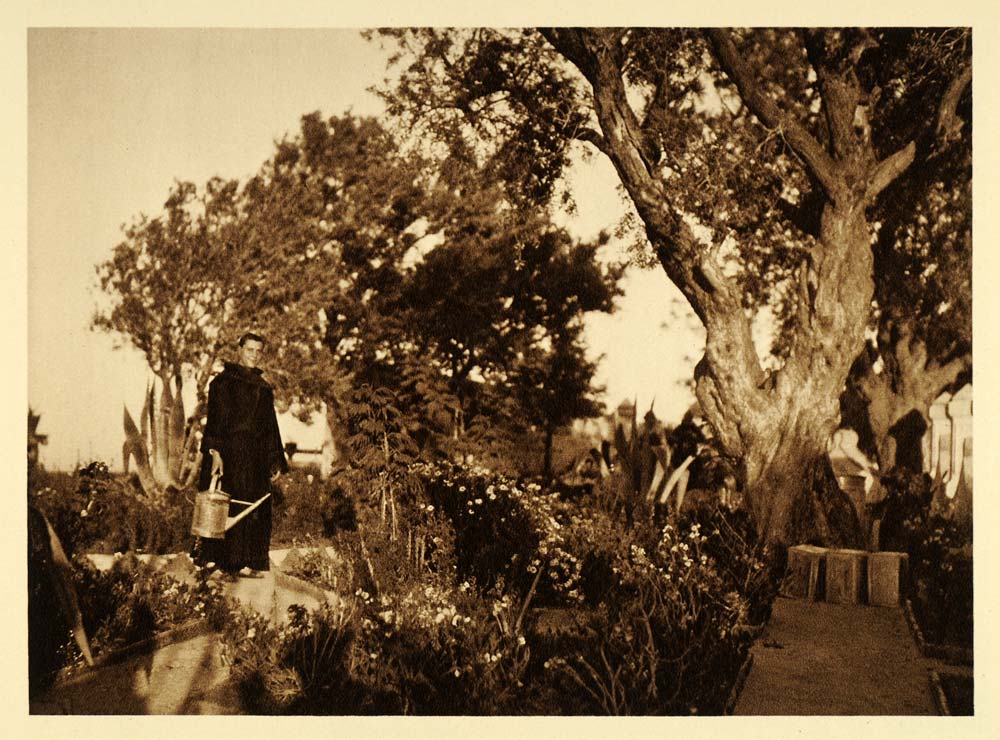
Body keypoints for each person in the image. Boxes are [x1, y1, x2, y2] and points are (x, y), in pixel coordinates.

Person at [193, 332, 288, 576]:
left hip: (255, 457)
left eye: (258, 351)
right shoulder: (223, 383)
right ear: (240, 350)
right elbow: (214, 421)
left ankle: (248, 562)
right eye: (250, 350)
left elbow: (270, 428)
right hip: (229, 454)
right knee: (225, 504)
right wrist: (215, 453)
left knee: (252, 505)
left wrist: (274, 459)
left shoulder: (264, 389)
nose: (254, 355)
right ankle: (216, 562)